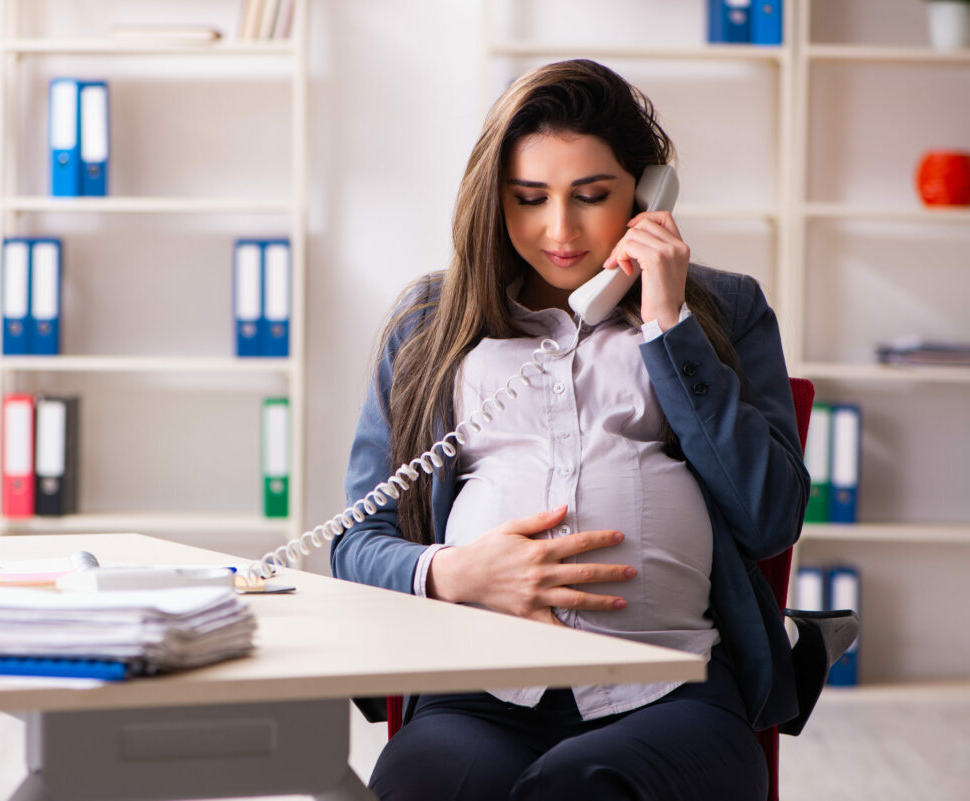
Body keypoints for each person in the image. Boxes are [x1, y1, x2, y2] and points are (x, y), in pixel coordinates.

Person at [330, 59, 809, 801]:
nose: (560, 230)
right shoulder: (430, 324)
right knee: (421, 783)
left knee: (578, 784)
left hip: (671, 688)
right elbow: (356, 541)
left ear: (648, 194)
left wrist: (666, 323)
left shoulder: (726, 309)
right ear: (494, 200)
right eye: (529, 199)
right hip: (479, 689)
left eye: (592, 196)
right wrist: (456, 571)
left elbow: (769, 514)